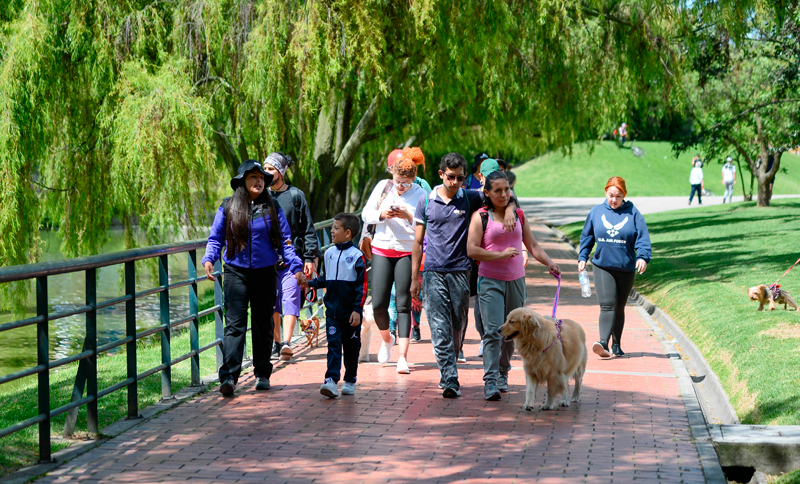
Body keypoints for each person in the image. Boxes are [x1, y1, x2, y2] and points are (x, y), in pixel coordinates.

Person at [410, 152, 518, 398]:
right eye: (451, 177)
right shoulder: (425, 202)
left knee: (457, 323)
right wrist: (414, 276)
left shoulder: (470, 198)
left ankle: (453, 360)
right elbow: (417, 242)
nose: (455, 182)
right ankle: (450, 378)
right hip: (433, 271)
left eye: (460, 178)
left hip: (461, 271)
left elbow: (502, 195)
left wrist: (510, 209)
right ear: (441, 174)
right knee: (439, 327)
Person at [202, 159, 304, 396]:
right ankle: (229, 377)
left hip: (265, 273)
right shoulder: (227, 207)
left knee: (262, 324)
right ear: (242, 182)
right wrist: (209, 258)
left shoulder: (272, 208)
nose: (259, 181)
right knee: (234, 326)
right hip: (236, 273)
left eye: (262, 178)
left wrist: (296, 267)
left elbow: (285, 241)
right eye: (253, 177)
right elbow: (216, 238)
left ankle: (262, 373)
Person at [467, 171, 560, 400]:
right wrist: (500, 255)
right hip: (490, 281)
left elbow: (533, 245)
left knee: (512, 333)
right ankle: (490, 382)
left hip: (516, 281)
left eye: (507, 189)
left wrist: (550, 262)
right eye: (497, 190)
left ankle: (502, 374)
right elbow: (471, 250)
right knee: (492, 332)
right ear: (487, 193)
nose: (504, 194)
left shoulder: (518, 214)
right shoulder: (481, 216)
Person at [361, 148, 427, 374]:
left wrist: (409, 216)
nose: (400, 187)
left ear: (413, 179)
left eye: (406, 183)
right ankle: (386, 339)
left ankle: (402, 357)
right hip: (381, 249)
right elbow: (365, 214)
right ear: (392, 175)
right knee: (378, 303)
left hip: (406, 252)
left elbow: (423, 229)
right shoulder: (383, 187)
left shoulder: (419, 194)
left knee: (403, 304)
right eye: (398, 181)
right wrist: (382, 214)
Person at [578, 176, 651, 358]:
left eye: (618, 196)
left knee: (619, 307)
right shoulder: (596, 212)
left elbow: (643, 238)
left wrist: (642, 257)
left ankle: (617, 344)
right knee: (608, 305)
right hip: (603, 265)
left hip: (625, 267)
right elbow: (587, 236)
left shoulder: (633, 213)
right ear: (605, 192)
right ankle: (603, 343)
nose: (613, 200)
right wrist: (582, 256)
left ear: (624, 195)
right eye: (611, 195)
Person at [299, 213, 367, 398]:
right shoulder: (328, 253)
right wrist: (309, 283)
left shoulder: (357, 256)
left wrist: (357, 310)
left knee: (351, 349)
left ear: (348, 233)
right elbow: (325, 279)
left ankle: (350, 380)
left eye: (336, 228)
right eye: (332, 227)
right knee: (334, 346)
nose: (332, 230)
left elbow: (362, 287)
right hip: (333, 314)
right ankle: (331, 380)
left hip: (351, 314)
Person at [263, 152, 321, 361]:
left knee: (290, 297)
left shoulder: (296, 196)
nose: (267, 172)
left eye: (271, 169)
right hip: (266, 260)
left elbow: (308, 230)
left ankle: (287, 343)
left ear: (281, 171)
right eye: (265, 168)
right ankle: (276, 343)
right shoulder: (260, 196)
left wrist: (309, 259)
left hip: (292, 259)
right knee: (272, 303)